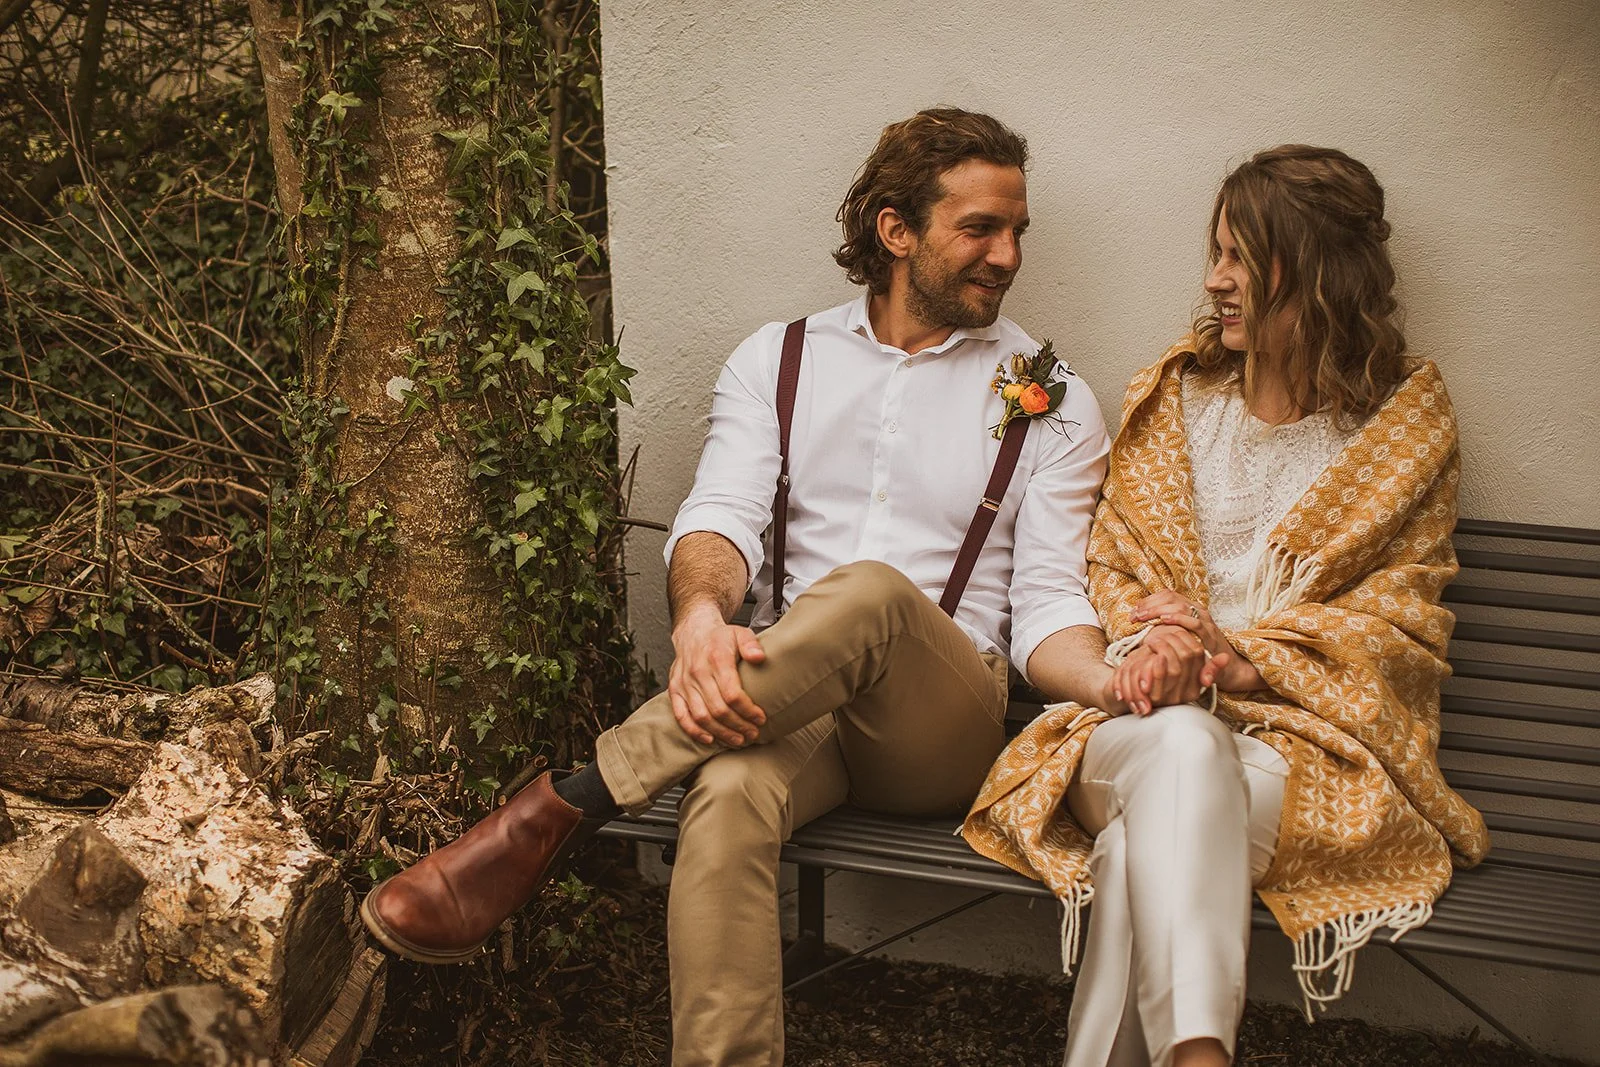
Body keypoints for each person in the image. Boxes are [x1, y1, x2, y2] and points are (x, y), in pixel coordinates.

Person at [360, 108, 1183, 1066]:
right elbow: (718, 518)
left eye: (1017, 232)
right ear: (895, 230)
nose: (1006, 255)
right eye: (980, 229)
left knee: (872, 593)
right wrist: (703, 618)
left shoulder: (1051, 395)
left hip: (944, 722)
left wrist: (1109, 677)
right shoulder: (778, 360)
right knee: (728, 795)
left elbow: (1047, 601)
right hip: (793, 703)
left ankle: (571, 801)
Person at [962, 145, 1491, 1067]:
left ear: (1318, 271)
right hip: (1131, 723)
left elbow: (1402, 624)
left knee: (1141, 848)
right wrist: (1164, 646)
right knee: (1181, 741)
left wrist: (1240, 659)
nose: (1215, 281)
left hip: (1308, 759)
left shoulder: (1401, 427)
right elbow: (1114, 566)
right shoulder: (1175, 403)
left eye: (1241, 257)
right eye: (1216, 254)